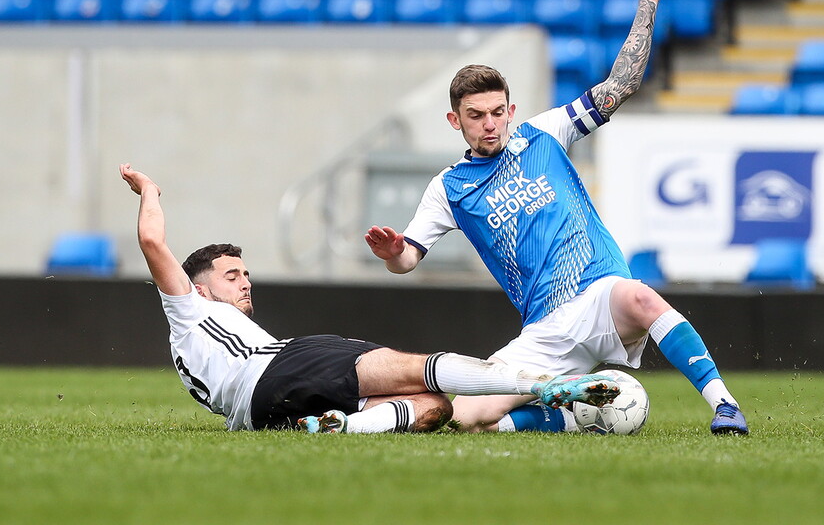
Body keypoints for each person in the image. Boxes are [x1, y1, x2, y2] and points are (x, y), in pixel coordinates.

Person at [365, 0, 749, 436]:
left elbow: (622, 83)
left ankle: (725, 405)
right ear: (454, 120)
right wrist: (393, 251)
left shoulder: (543, 133)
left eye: (497, 112)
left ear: (511, 108)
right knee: (464, 419)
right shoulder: (448, 188)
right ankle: (571, 418)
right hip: (544, 330)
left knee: (643, 299)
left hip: (599, 294)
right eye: (476, 116)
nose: (490, 124)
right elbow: (408, 261)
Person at [119, 163, 621, 435]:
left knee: (433, 408)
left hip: (263, 412)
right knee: (418, 367)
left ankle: (339, 428)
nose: (245, 282)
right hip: (281, 366)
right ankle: (548, 384)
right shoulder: (188, 311)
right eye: (232, 276)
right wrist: (150, 191)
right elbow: (152, 243)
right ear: (200, 288)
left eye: (247, 273)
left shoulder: (204, 343)